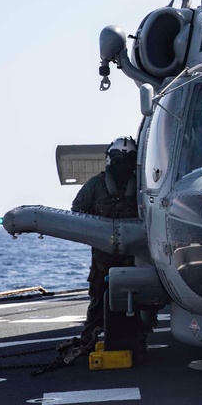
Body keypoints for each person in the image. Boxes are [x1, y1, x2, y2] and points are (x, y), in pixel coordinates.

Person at [72, 136, 140, 343]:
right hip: (103, 257)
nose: (121, 162)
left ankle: (138, 338)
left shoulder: (140, 187)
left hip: (134, 258)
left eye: (126, 158)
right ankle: (88, 340)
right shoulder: (96, 185)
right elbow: (77, 211)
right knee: (98, 300)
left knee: (138, 302)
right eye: (117, 157)